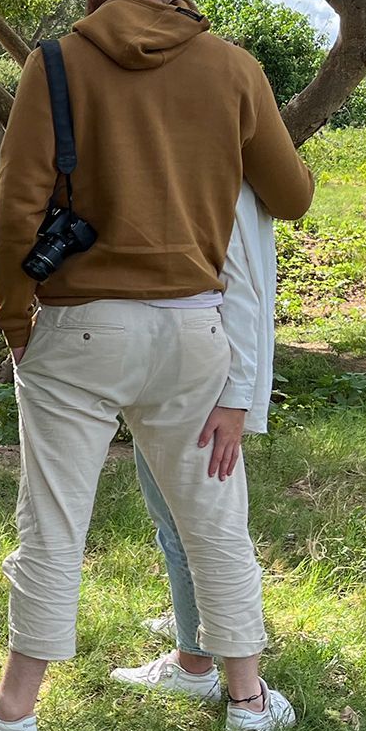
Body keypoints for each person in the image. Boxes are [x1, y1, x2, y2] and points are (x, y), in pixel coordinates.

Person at [0, 0, 315, 731]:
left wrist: (15, 317)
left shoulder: (57, 63)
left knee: (54, 518)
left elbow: (22, 203)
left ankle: (14, 711)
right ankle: (247, 703)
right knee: (214, 513)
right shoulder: (236, 68)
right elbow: (291, 195)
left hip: (81, 328)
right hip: (195, 333)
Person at [113, 183, 277, 700]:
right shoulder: (189, 157)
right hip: (185, 368)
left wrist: (237, 398)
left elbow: (243, 290)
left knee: (200, 530)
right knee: (178, 524)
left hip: (202, 377)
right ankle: (196, 645)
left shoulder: (212, 169)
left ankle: (204, 671)